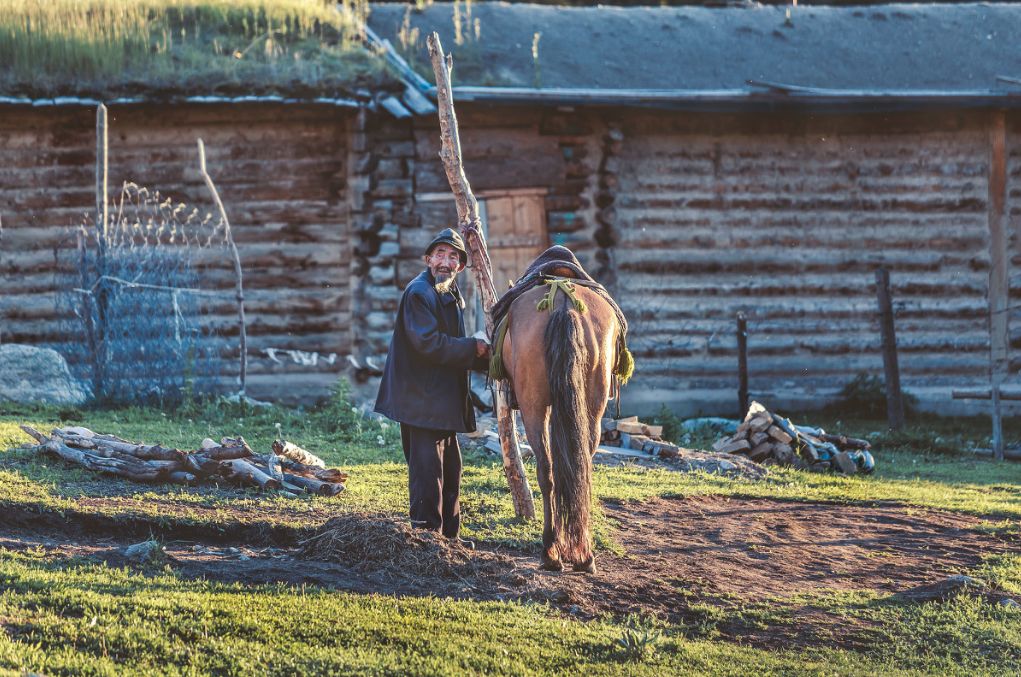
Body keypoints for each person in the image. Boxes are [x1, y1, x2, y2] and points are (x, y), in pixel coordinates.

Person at [374, 227, 490, 543]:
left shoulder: (448, 292)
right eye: (440, 254)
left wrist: (483, 354)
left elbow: (450, 343)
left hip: (438, 400)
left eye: (453, 257)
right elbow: (429, 344)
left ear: (460, 267)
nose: (446, 261)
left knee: (450, 471)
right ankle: (427, 541)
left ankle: (449, 541)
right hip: (420, 401)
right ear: (428, 259)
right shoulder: (419, 293)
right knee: (428, 476)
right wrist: (473, 348)